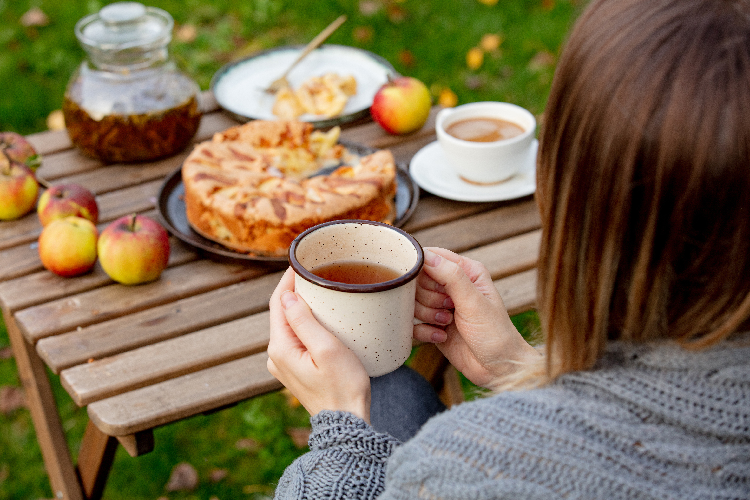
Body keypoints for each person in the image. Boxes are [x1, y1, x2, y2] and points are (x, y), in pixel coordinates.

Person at [265, 0, 750, 497]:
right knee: (391, 388)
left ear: (568, 193)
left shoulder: (470, 467)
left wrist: (340, 433)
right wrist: (519, 368)